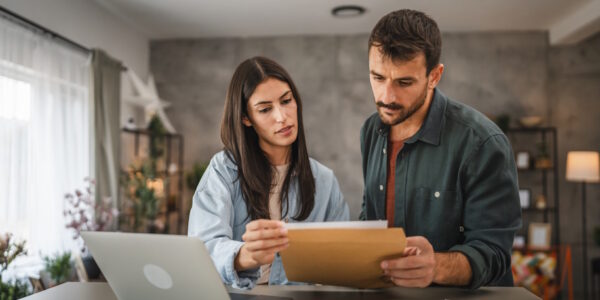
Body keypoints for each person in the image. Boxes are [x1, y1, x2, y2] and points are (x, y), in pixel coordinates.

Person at [360, 9, 521, 289]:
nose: (386, 96)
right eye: (377, 77)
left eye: (404, 82)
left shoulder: (482, 143)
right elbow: (370, 216)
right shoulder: (371, 131)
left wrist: (435, 266)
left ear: (434, 76)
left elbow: (494, 254)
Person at [188, 56, 349, 289]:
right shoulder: (223, 170)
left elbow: (342, 259)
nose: (281, 116)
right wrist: (245, 255)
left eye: (286, 101)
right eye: (265, 109)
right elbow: (202, 248)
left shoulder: (324, 180)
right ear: (246, 118)